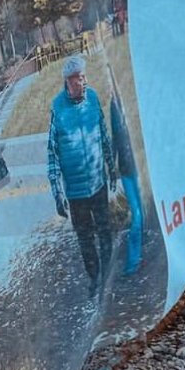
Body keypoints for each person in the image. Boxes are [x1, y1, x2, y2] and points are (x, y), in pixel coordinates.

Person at [47, 55, 117, 297]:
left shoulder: (93, 98)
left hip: (98, 182)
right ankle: (95, 278)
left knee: (105, 229)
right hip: (75, 192)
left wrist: (111, 166)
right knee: (85, 238)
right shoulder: (57, 108)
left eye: (84, 76)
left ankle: (108, 273)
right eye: (78, 79)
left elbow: (104, 133)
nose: (83, 82)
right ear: (68, 81)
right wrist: (57, 192)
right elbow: (52, 153)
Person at [107, 81, 144, 276]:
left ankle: (138, 258)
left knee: (142, 214)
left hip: (139, 166)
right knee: (137, 217)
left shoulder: (134, 98)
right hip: (128, 168)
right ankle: (132, 264)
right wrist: (112, 165)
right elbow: (115, 136)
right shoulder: (114, 106)